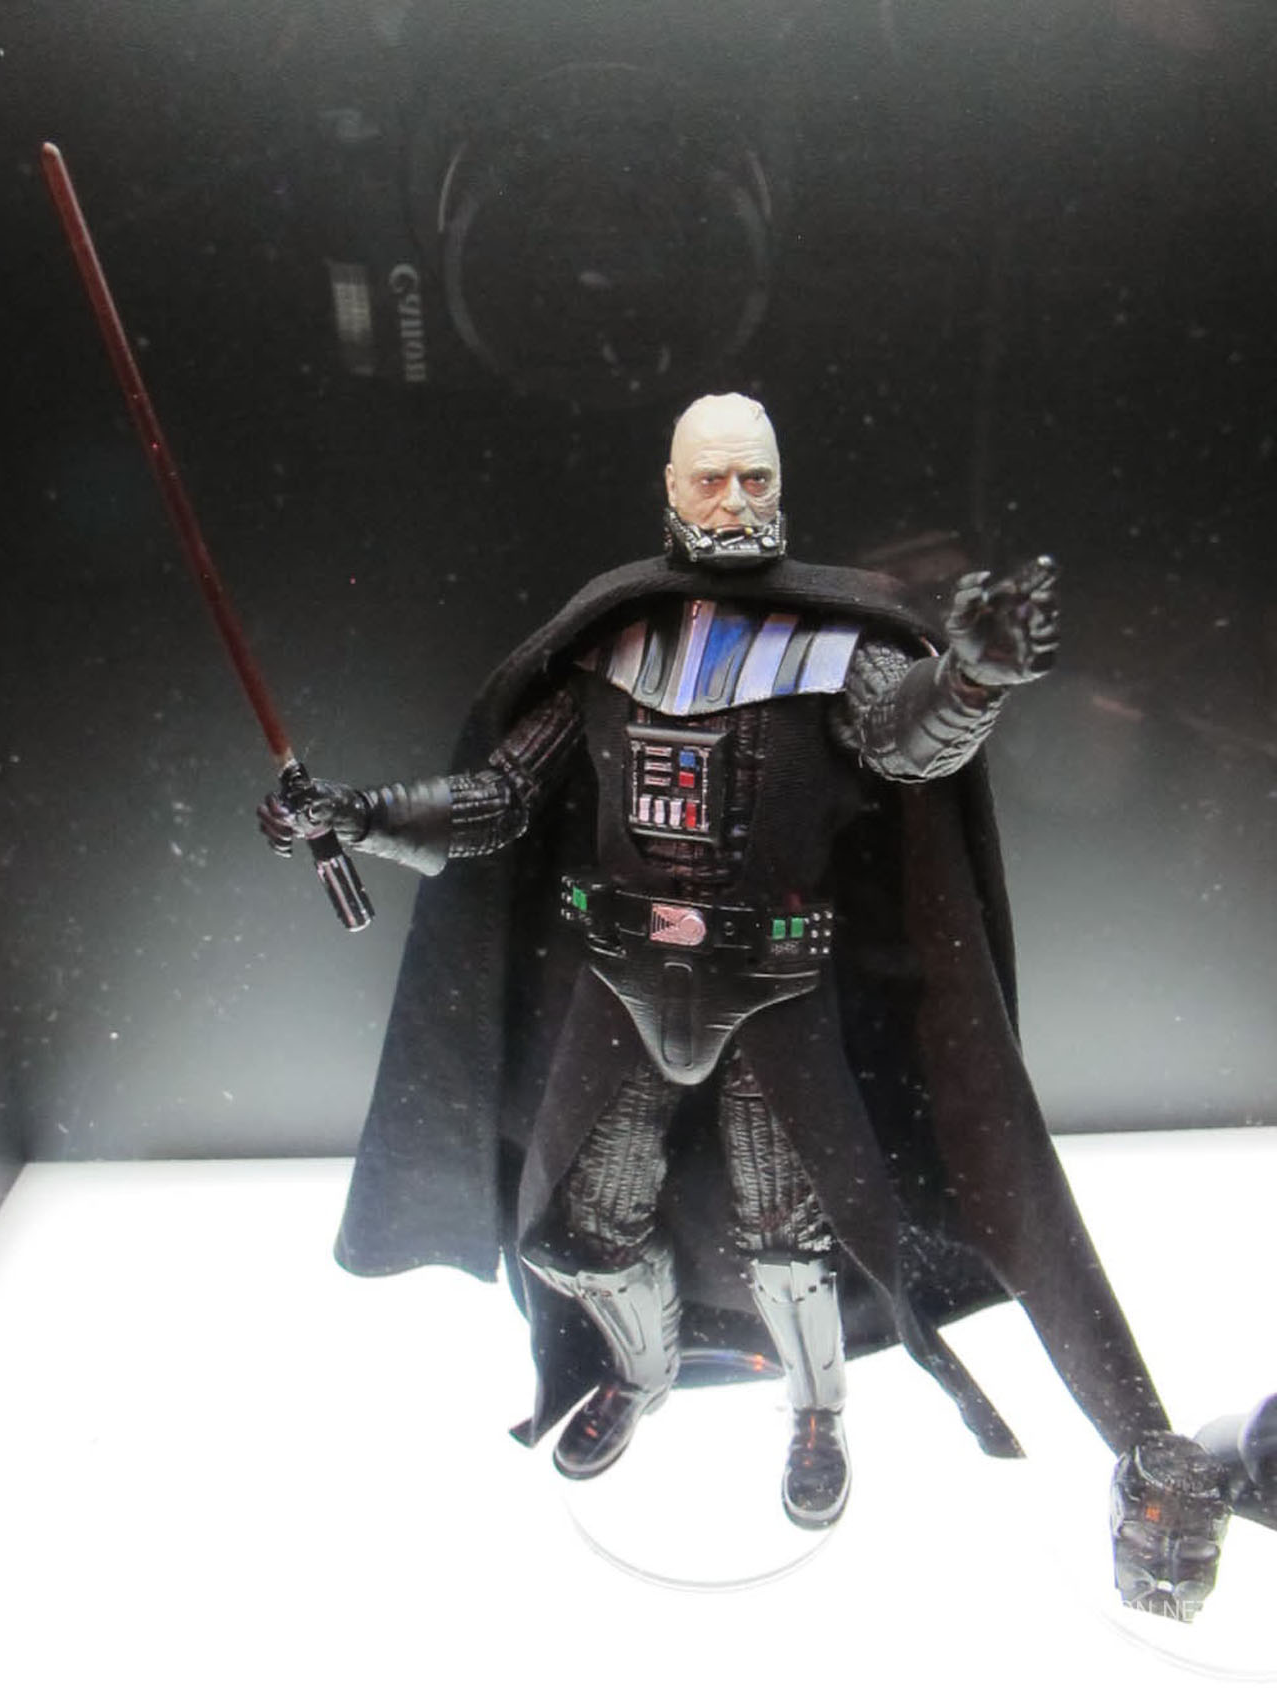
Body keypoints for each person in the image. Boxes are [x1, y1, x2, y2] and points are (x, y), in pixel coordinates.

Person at [259, 394, 1172, 1535]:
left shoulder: (833, 649)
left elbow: (904, 740)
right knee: (586, 1230)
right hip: (621, 983)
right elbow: (500, 797)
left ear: (778, 486)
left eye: (754, 479)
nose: (734, 502)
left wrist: (972, 679)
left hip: (773, 992)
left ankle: (816, 1412)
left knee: (790, 1237)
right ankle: (634, 1373)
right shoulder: (610, 644)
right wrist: (362, 814)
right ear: (671, 487)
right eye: (711, 480)